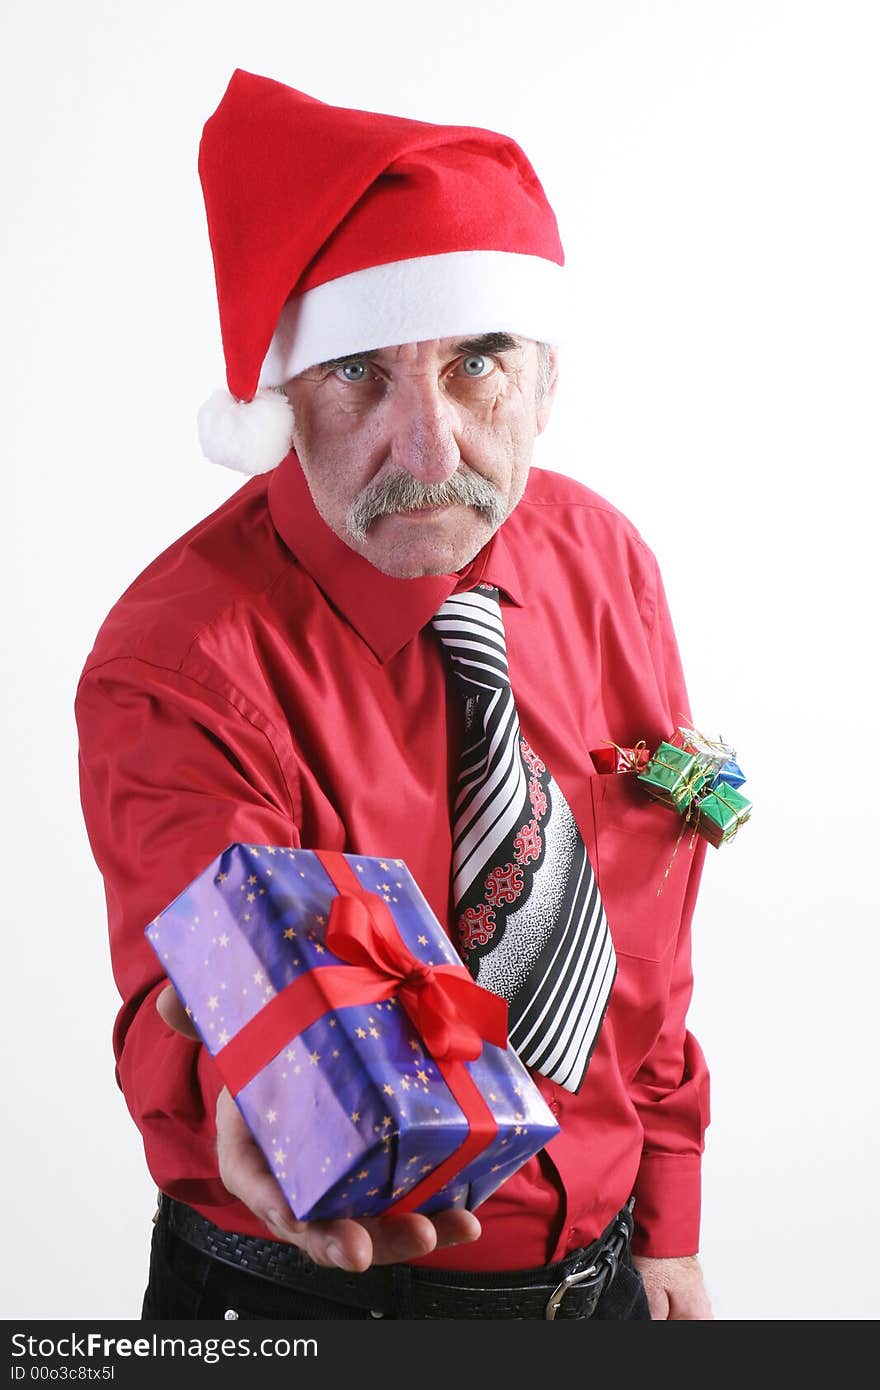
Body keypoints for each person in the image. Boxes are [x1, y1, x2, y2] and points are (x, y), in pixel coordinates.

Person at [75, 69, 713, 1321]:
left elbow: (653, 925)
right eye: (360, 374)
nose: (429, 454)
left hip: (606, 1281)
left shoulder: (605, 562)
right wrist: (249, 1084)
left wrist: (668, 1218)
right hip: (312, 1299)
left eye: (477, 363)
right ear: (277, 401)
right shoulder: (178, 659)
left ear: (540, 376)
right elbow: (209, 965)